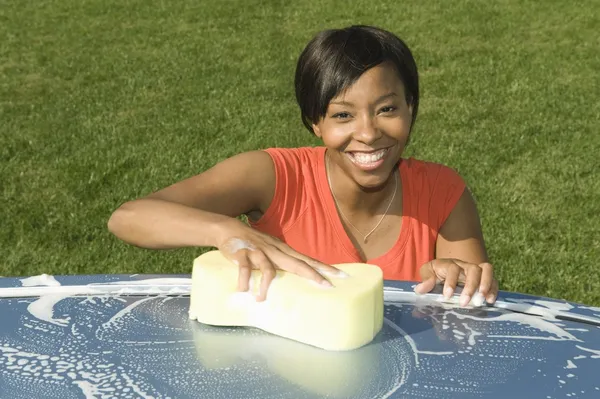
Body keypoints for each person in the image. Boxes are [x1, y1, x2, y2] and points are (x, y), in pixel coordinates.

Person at [108, 25, 498, 307]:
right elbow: (129, 217)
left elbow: (464, 307)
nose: (368, 133)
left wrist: (460, 276)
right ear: (315, 122)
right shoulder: (275, 177)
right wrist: (225, 230)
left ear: (411, 107)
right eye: (343, 116)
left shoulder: (443, 191)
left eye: (387, 109)